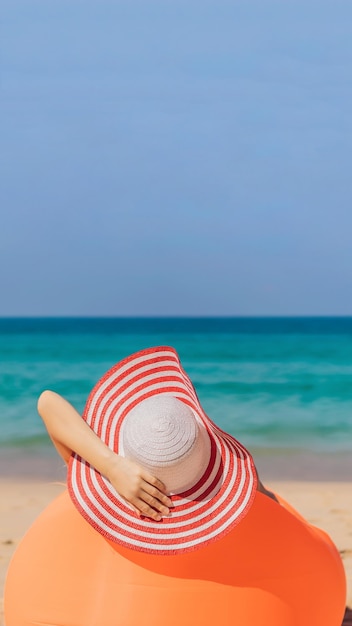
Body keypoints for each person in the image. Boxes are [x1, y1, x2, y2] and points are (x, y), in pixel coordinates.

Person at [4, 346, 346, 625]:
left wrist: (112, 466)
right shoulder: (232, 510)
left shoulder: (103, 482)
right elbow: (288, 528)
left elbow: (47, 402)